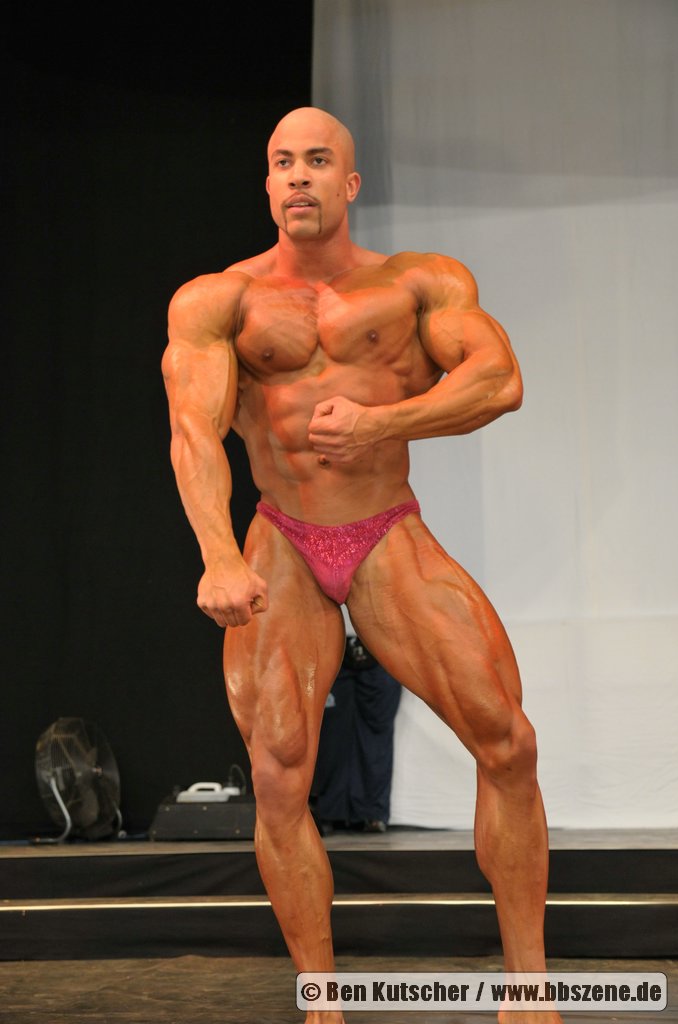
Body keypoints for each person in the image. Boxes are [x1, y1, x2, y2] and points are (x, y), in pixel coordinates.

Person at [161, 106, 561, 1024]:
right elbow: (193, 433)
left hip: (384, 529)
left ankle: (530, 988)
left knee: (508, 741)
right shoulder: (218, 302)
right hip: (281, 537)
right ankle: (323, 1002)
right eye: (281, 162)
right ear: (268, 184)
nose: (297, 176)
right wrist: (218, 555)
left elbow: (498, 380)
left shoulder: (418, 283)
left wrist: (382, 423)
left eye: (316, 161)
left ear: (349, 183)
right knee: (278, 775)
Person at [311, 612, 402, 836]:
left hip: (382, 644)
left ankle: (373, 812)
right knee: (331, 733)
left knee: (377, 733)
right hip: (331, 643)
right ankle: (330, 812)